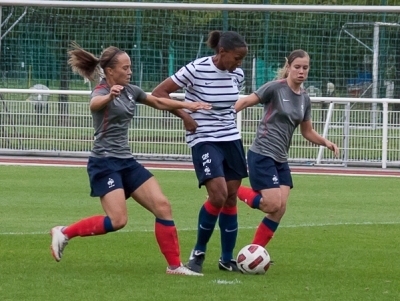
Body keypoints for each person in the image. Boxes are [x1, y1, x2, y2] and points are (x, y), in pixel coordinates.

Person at [50, 43, 212, 276]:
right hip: (104, 163)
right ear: (110, 71)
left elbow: (158, 101)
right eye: (125, 68)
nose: (129, 71)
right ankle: (64, 232)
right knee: (117, 220)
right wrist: (108, 97)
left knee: (163, 206)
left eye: (130, 67)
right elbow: (94, 104)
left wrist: (188, 105)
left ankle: (175, 267)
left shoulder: (131, 90)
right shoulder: (101, 90)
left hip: (126, 161)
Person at [152, 30, 248, 273]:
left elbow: (229, 105)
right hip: (204, 138)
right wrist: (185, 115)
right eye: (236, 58)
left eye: (242, 59)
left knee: (230, 197)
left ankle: (227, 259)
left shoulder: (237, 74)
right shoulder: (196, 68)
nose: (239, 64)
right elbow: (159, 94)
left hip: (231, 139)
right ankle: (198, 252)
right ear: (222, 52)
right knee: (217, 195)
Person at [234, 49, 339, 252]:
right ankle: (233, 190)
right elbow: (246, 101)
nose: (301, 71)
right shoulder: (275, 88)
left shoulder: (304, 98)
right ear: (289, 67)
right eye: (297, 67)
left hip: (281, 159)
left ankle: (254, 253)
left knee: (279, 209)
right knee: (271, 204)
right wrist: (225, 114)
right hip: (262, 153)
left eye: (305, 68)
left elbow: (307, 131)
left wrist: (325, 142)